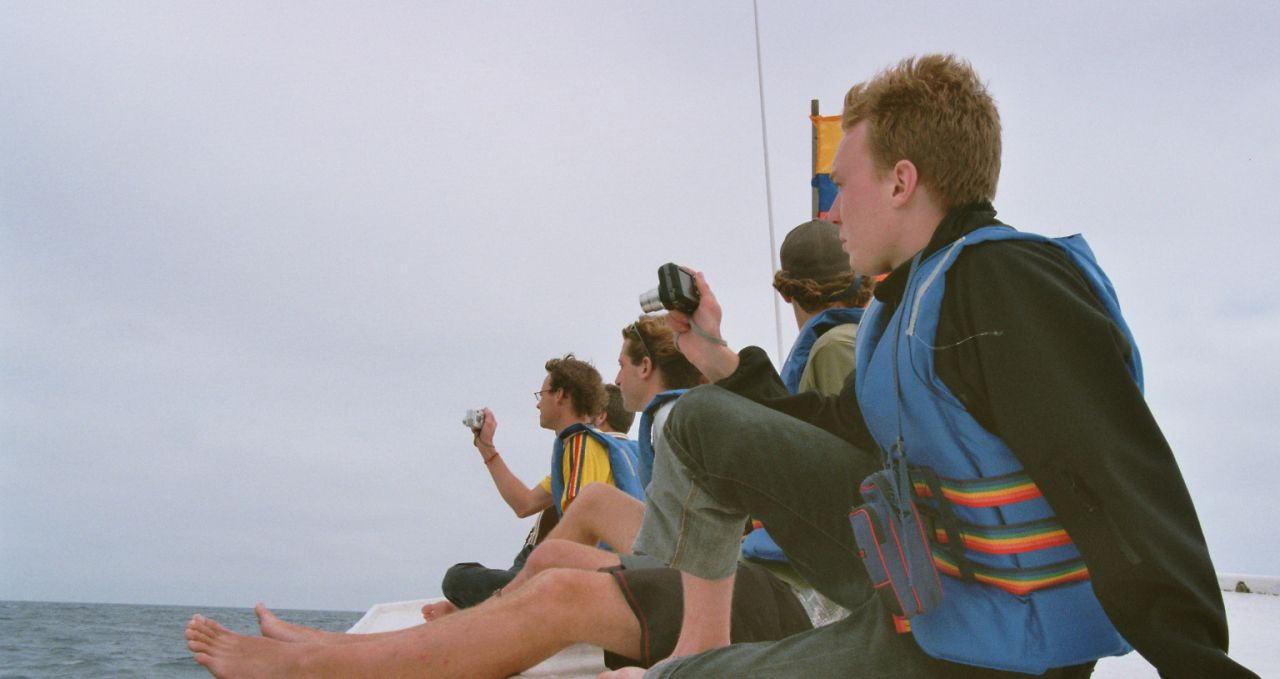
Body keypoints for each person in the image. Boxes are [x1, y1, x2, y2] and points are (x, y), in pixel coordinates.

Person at [604, 54, 1256, 678]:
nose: (830, 211)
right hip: (934, 605)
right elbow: (836, 428)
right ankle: (684, 643)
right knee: (701, 418)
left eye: (840, 184)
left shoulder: (1001, 282)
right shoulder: (907, 306)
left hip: (997, 658)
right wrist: (715, 355)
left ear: (900, 181)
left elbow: (1117, 475)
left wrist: (1199, 664)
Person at [184, 319, 810, 678]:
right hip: (736, 581)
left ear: (646, 367)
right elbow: (537, 508)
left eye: (625, 364)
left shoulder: (656, 426)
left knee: (547, 582)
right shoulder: (659, 425)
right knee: (555, 552)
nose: (617, 379)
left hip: (753, 601)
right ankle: (345, 647)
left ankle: (318, 667)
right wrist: (489, 452)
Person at [436, 354, 645, 615]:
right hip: (621, 570)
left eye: (541, 395)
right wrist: (486, 448)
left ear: (560, 395)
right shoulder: (614, 449)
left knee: (457, 578)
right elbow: (524, 504)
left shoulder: (579, 444)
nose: (538, 406)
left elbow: (578, 536)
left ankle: (485, 609)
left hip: (590, 579)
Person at [742, 218, 875, 564]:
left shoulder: (834, 346)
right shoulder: (867, 338)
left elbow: (856, 469)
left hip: (843, 564)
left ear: (787, 292)